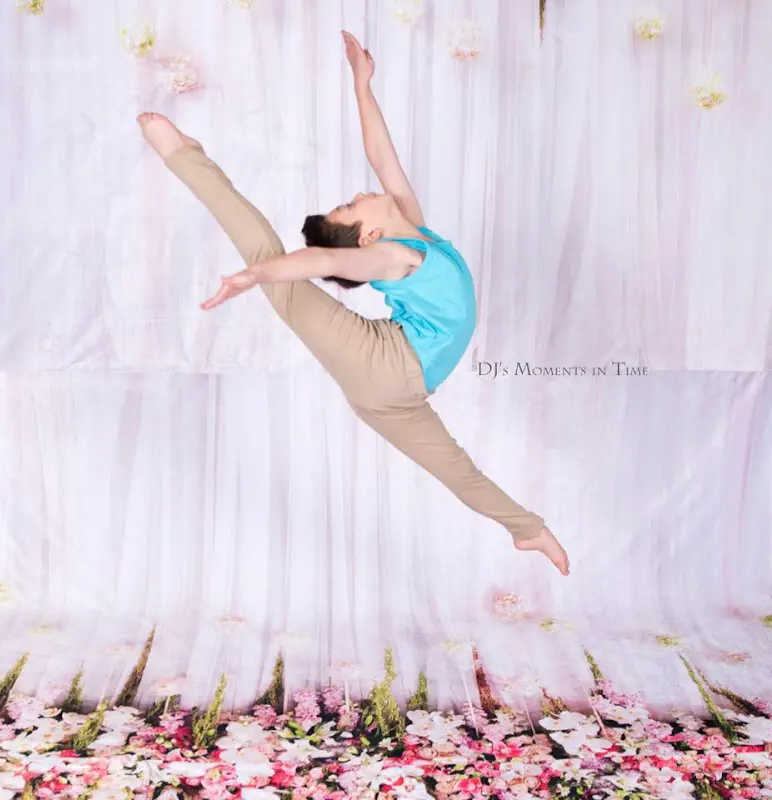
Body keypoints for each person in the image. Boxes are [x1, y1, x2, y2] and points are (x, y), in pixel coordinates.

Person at [136, 31, 569, 575]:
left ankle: (528, 530)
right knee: (272, 262)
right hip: (383, 365)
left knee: (457, 469)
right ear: (368, 236)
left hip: (398, 396)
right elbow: (323, 260)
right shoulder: (391, 256)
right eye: (350, 205)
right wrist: (255, 275)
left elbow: (380, 154)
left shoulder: (415, 230)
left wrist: (362, 84)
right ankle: (183, 155)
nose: (360, 193)